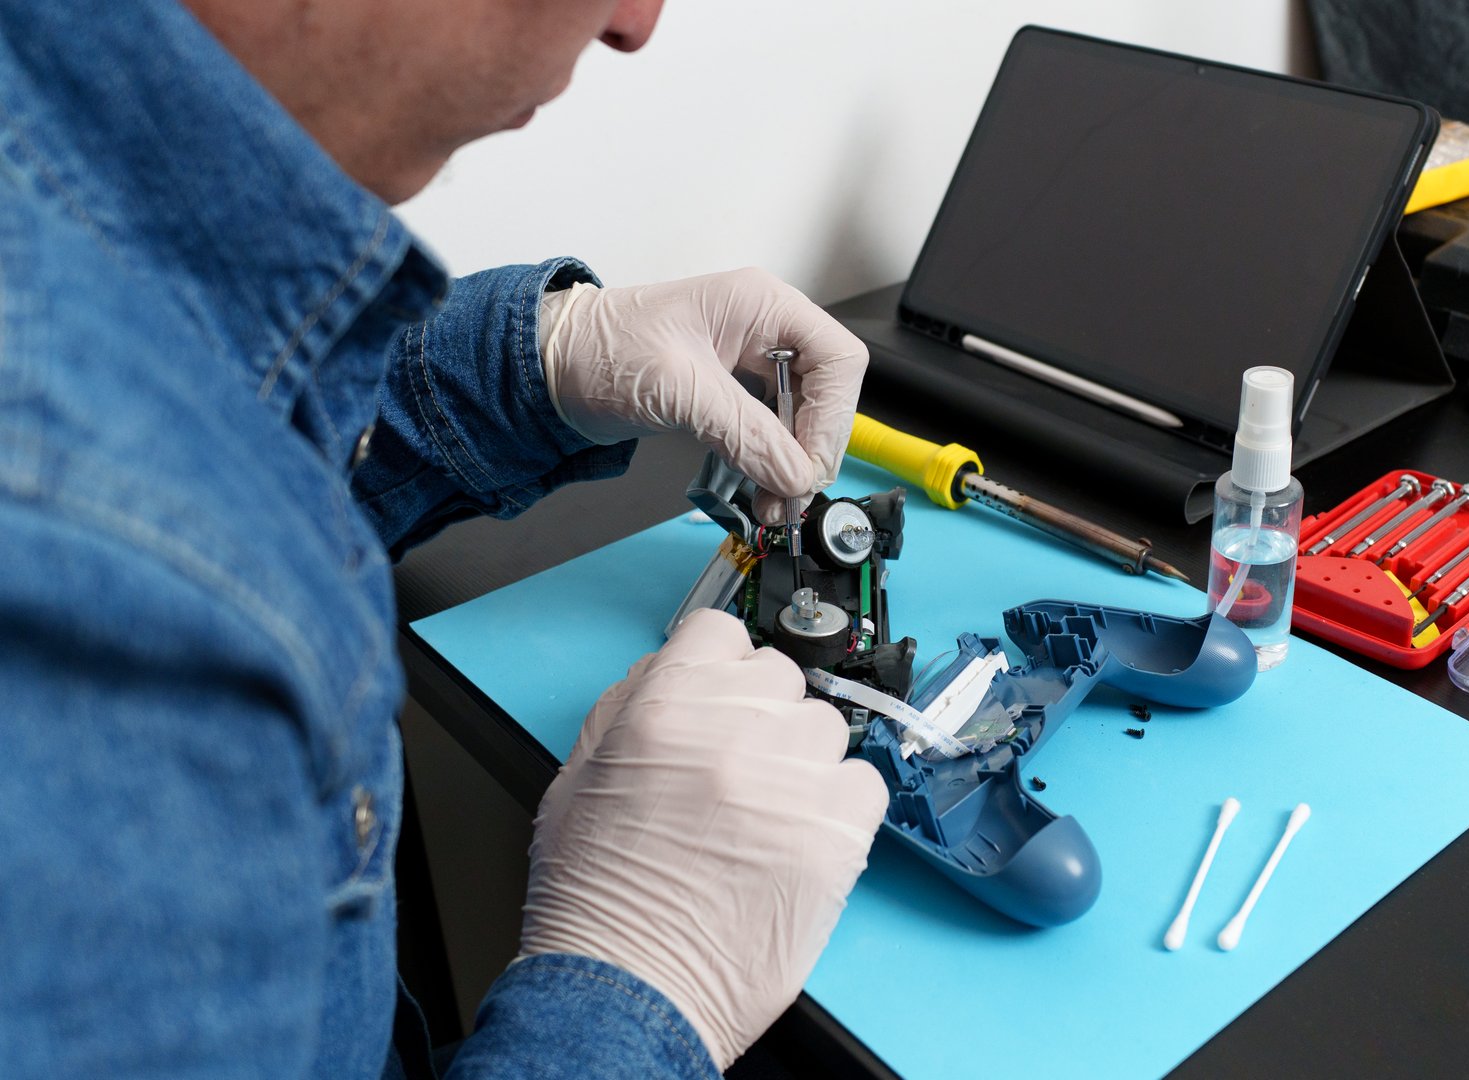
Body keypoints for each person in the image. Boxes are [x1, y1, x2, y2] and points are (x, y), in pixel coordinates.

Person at [0, 1, 889, 1076]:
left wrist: (531, 363)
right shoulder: (61, 585)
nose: (634, 23)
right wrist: (636, 996)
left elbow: (197, 410)